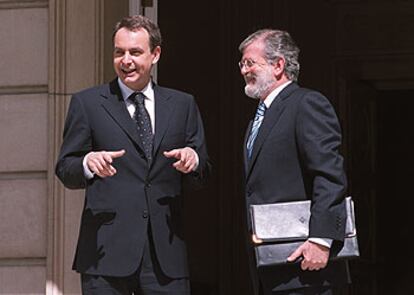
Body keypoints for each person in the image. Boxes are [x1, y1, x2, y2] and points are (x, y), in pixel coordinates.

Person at [55, 15, 210, 295]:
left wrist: (193, 160)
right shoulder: (87, 103)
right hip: (105, 253)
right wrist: (88, 163)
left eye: (135, 52)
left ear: (156, 54)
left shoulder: (182, 105)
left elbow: (203, 172)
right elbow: (66, 168)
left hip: (166, 255)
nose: (126, 60)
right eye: (119, 52)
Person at [239, 29, 349, 295]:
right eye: (241, 64)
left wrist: (321, 240)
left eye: (250, 62)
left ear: (278, 65)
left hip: (308, 267)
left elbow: (329, 175)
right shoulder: (257, 119)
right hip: (273, 268)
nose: (243, 70)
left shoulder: (307, 104)